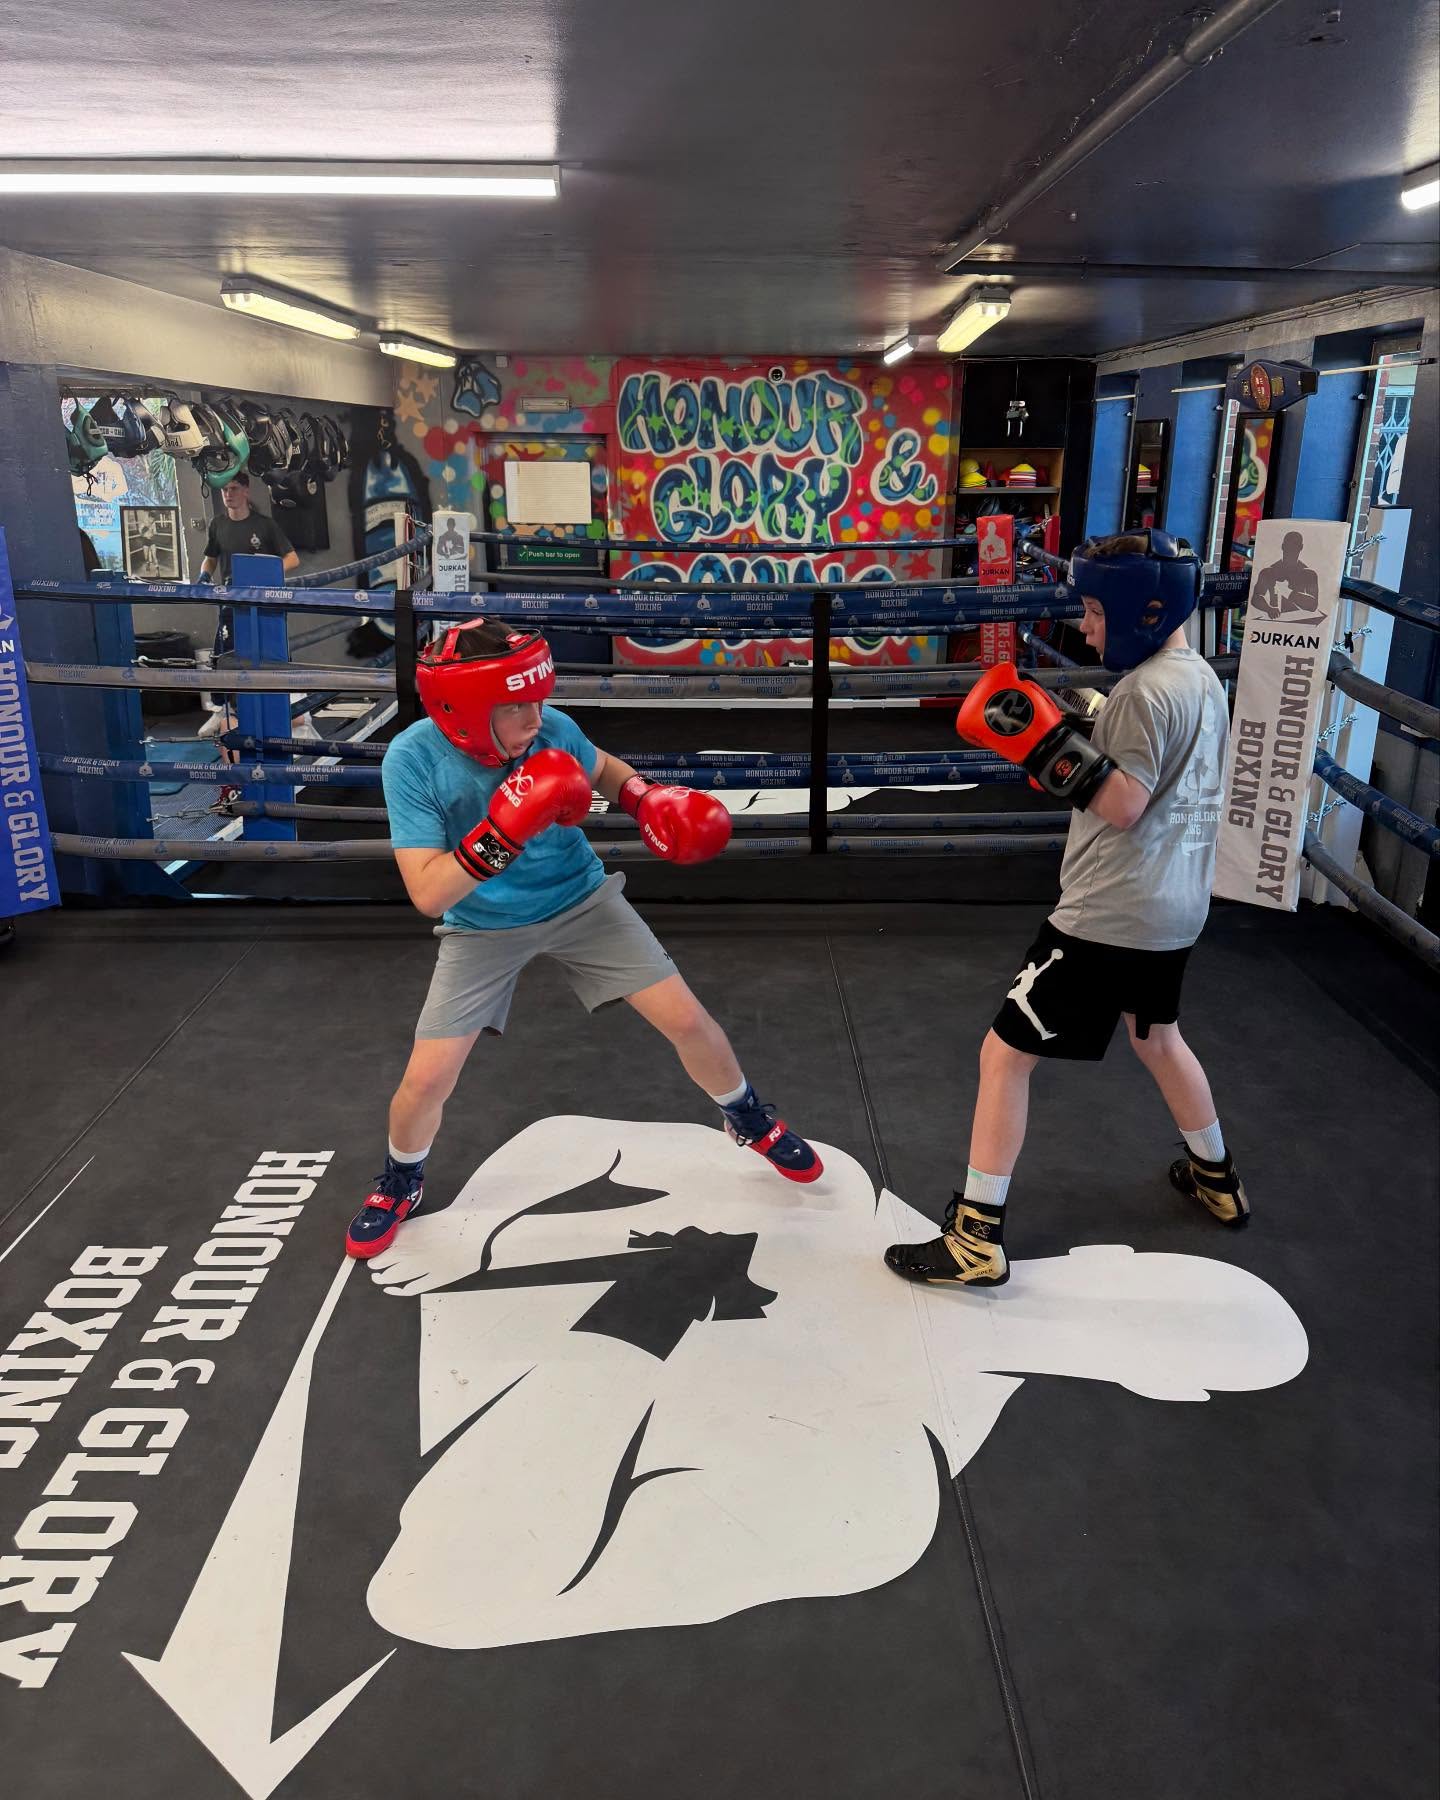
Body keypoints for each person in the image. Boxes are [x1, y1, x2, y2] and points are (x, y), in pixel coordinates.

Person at [345, 618, 822, 1259]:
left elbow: (600, 768)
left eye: (540, 698)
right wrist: (505, 828)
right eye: (518, 706)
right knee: (426, 1079)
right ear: (465, 712)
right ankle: (401, 1179)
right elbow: (428, 892)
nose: (537, 717)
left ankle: (746, 1115)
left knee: (689, 1020)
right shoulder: (413, 758)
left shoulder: (553, 726)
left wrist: (642, 797)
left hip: (580, 900)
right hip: (482, 926)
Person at [885, 529, 1244, 1290]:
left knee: (1003, 1056)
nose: (1084, 627)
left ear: (1137, 610)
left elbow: (1121, 804)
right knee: (1159, 1039)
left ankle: (976, 1237)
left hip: (1107, 915)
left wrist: (1046, 746)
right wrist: (1071, 744)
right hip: (1176, 906)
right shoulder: (1198, 677)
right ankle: (1217, 1176)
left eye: (1092, 611)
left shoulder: (1146, 693)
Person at [198, 472, 299, 584]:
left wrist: (266, 573)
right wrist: (204, 575)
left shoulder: (265, 524)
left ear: (246, 491)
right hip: (230, 593)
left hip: (261, 593)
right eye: (224, 489)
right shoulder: (217, 524)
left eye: (234, 489)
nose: (228, 494)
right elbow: (211, 559)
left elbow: (292, 559)